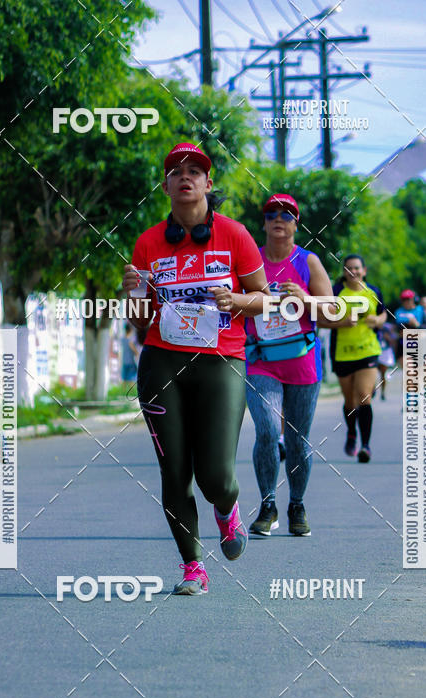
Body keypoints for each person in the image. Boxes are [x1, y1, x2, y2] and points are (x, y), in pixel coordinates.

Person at [123, 143, 269, 595]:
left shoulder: (235, 235)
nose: (185, 177)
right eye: (176, 172)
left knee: (216, 476)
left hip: (221, 360)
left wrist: (237, 300)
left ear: (208, 184)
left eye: (195, 171)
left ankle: (228, 510)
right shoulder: (149, 242)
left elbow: (265, 299)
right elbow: (140, 321)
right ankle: (193, 568)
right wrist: (131, 294)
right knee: (174, 473)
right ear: (165, 186)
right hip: (161, 359)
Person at [244, 193, 334, 536]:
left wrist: (305, 299)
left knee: (298, 440)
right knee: (267, 430)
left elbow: (332, 310)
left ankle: (296, 504)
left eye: (287, 214)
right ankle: (268, 504)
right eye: (271, 214)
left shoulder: (308, 261)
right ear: (264, 222)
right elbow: (236, 304)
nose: (278, 219)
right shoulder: (250, 260)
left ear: (297, 223)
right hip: (261, 359)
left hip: (302, 361)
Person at [331, 255, 387, 462]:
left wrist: (378, 320)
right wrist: (342, 323)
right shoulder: (335, 293)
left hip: (368, 351)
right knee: (350, 401)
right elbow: (321, 320)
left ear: (364, 270)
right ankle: (351, 432)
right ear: (344, 272)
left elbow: (383, 314)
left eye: (357, 268)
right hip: (342, 352)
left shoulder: (374, 292)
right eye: (348, 269)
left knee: (364, 396)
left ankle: (365, 445)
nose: (353, 272)